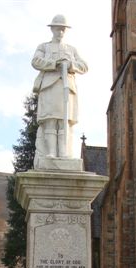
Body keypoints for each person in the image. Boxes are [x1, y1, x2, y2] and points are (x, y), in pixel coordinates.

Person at [32, 14, 88, 163]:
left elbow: (84, 66)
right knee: (50, 119)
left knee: (64, 122)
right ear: (52, 29)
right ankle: (50, 152)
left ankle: (64, 152)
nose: (60, 32)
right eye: (58, 29)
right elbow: (36, 61)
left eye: (63, 29)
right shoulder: (44, 47)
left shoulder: (71, 49)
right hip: (50, 86)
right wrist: (54, 63)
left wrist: (71, 65)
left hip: (67, 88)